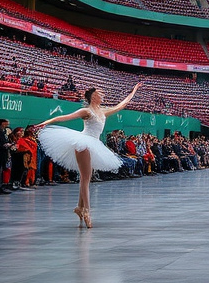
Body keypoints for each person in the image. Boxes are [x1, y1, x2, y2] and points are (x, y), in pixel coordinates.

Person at [38, 83, 141, 228]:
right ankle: (87, 211)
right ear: (93, 97)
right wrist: (47, 122)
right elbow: (65, 117)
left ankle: (80, 208)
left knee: (86, 177)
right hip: (83, 142)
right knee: (85, 178)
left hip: (95, 143)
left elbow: (121, 105)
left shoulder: (103, 111)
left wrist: (134, 90)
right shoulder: (86, 111)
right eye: (99, 93)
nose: (102, 95)